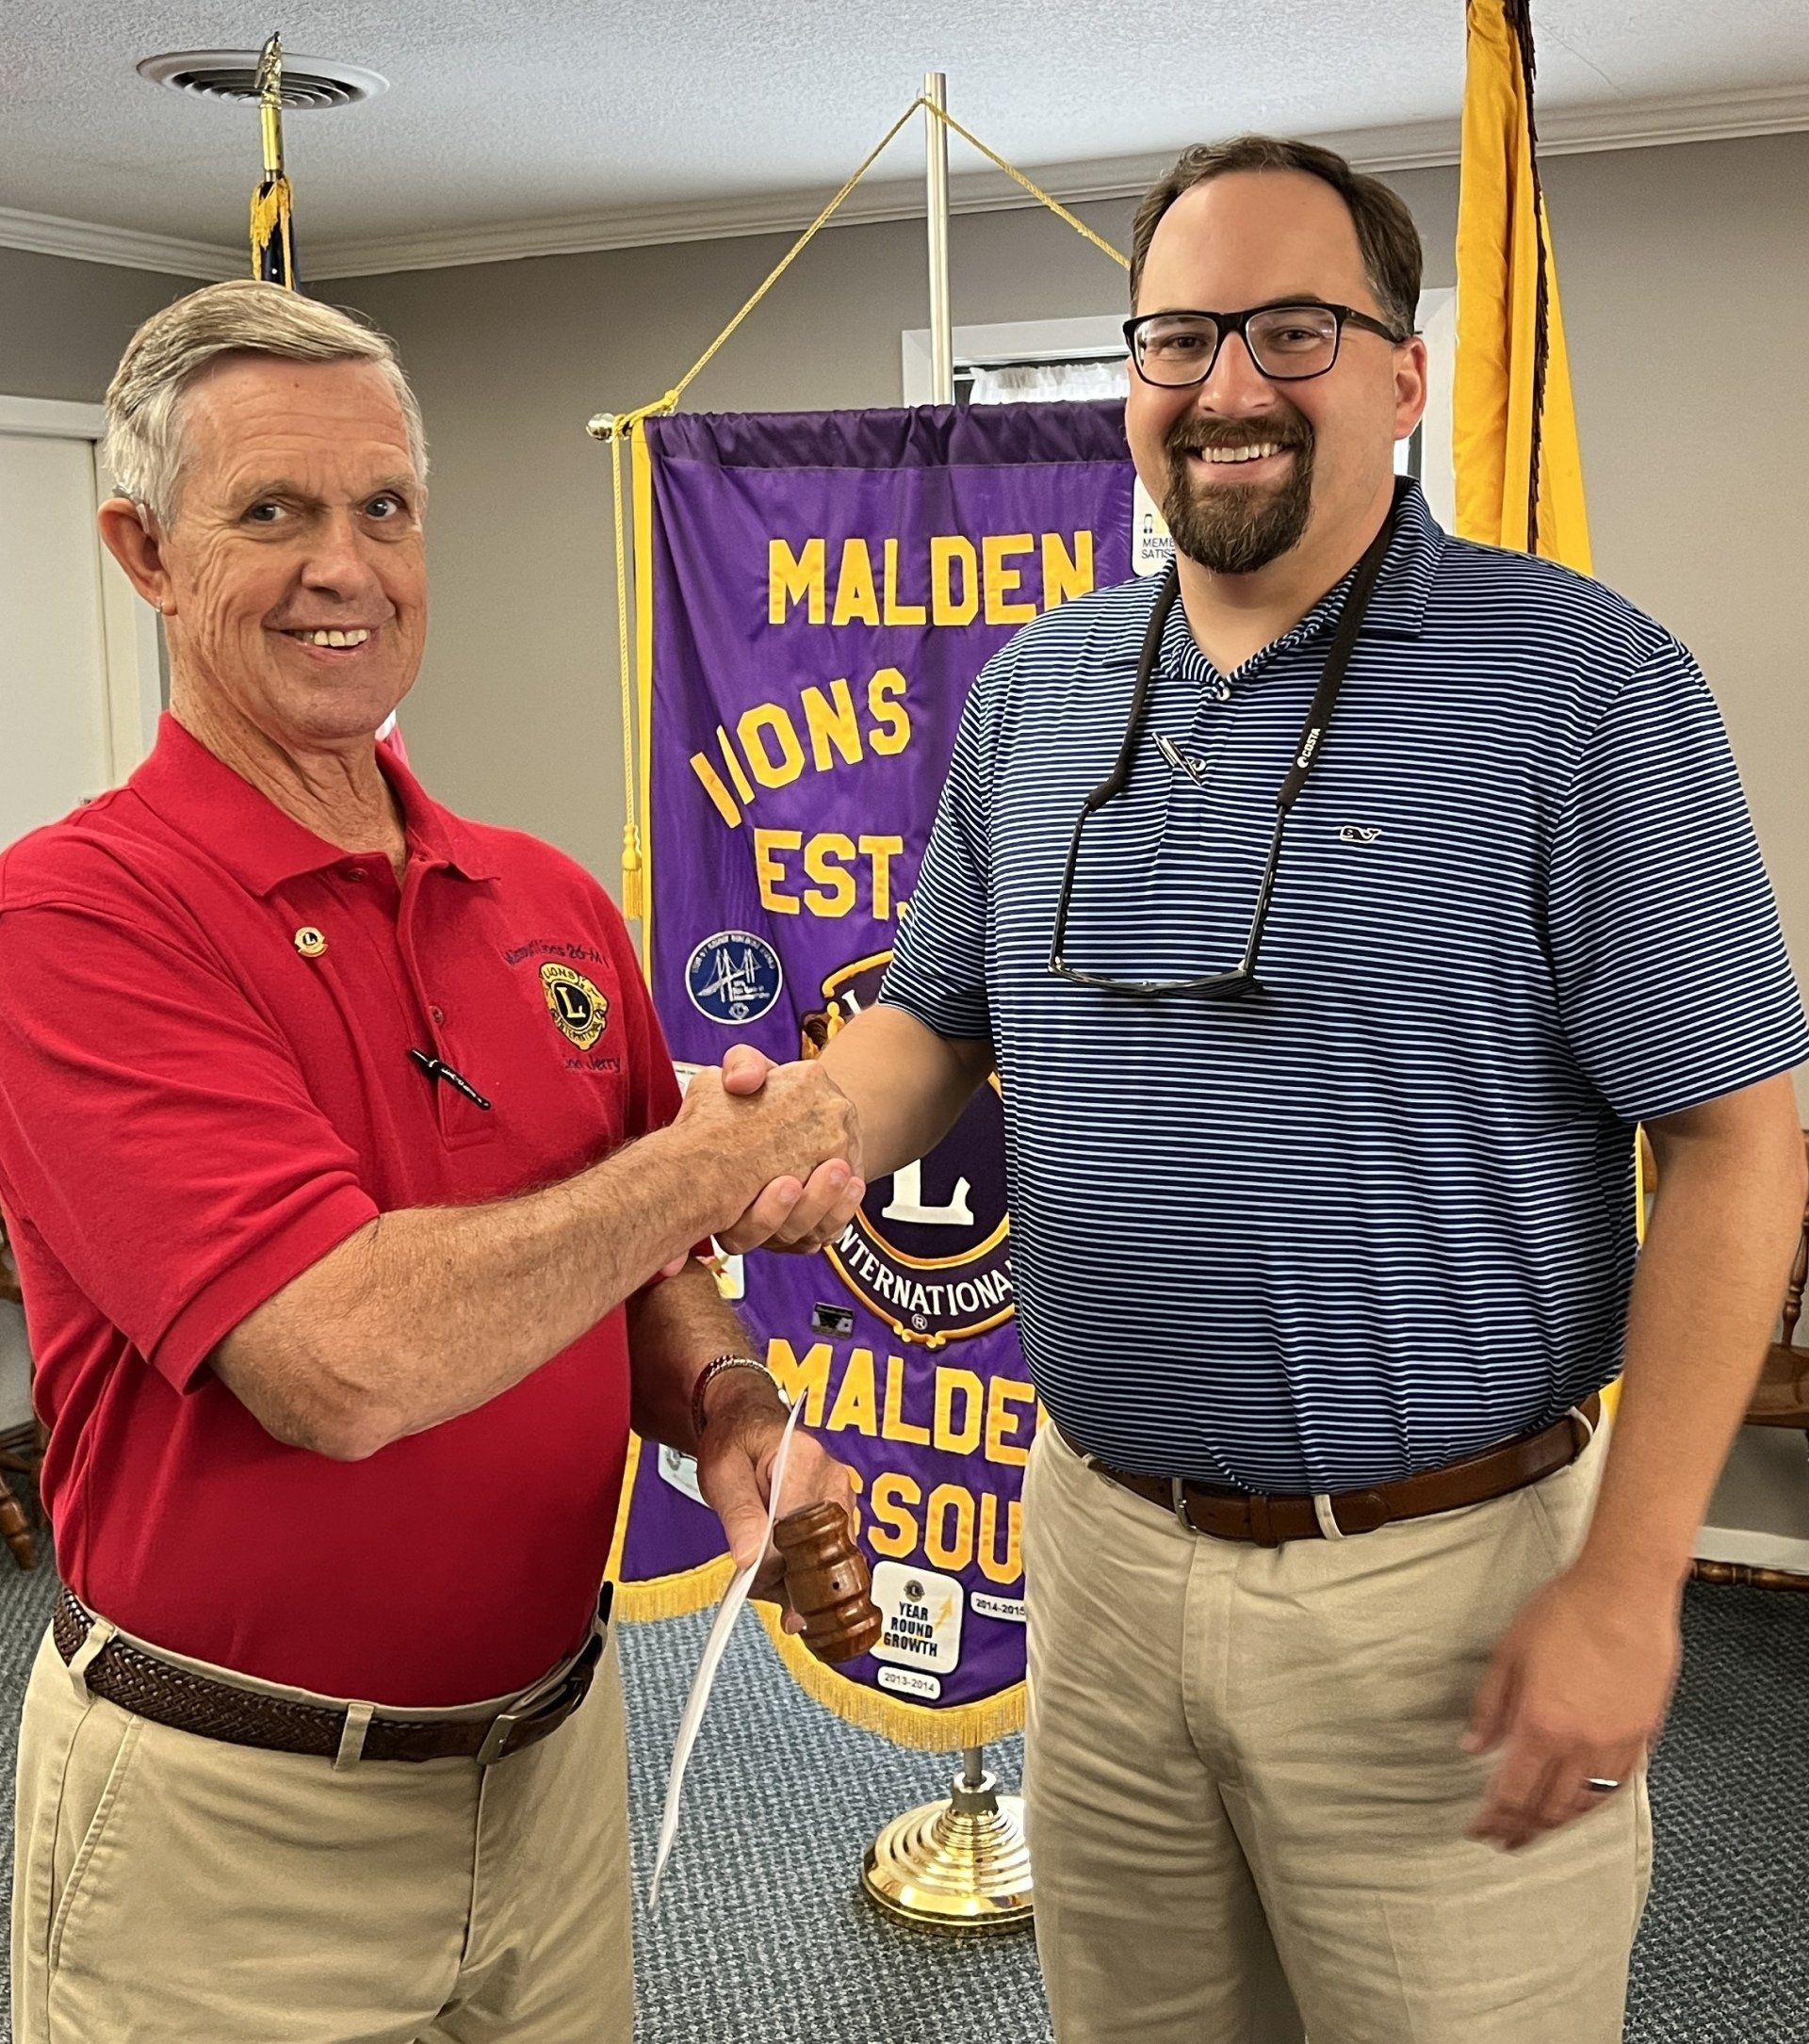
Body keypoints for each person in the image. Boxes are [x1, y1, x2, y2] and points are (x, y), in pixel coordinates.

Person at [716, 136, 1809, 2041]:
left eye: (1293, 330)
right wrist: (795, 1134)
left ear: (1401, 371)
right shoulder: (1035, 689)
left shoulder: (1585, 679)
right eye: (1179, 335)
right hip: (1101, 1553)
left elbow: (1734, 1141)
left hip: (1434, 1587)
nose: (1226, 385)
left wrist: (1636, 1583)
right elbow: (935, 1025)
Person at [0, 279, 861, 2044]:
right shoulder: (72, 919)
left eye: (384, 508)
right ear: (144, 551)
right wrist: (712, 1162)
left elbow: (637, 1277)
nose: (348, 565)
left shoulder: (543, 902)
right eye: (274, 512)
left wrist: (728, 1409)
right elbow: (346, 1358)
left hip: (551, 1771)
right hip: (231, 1830)